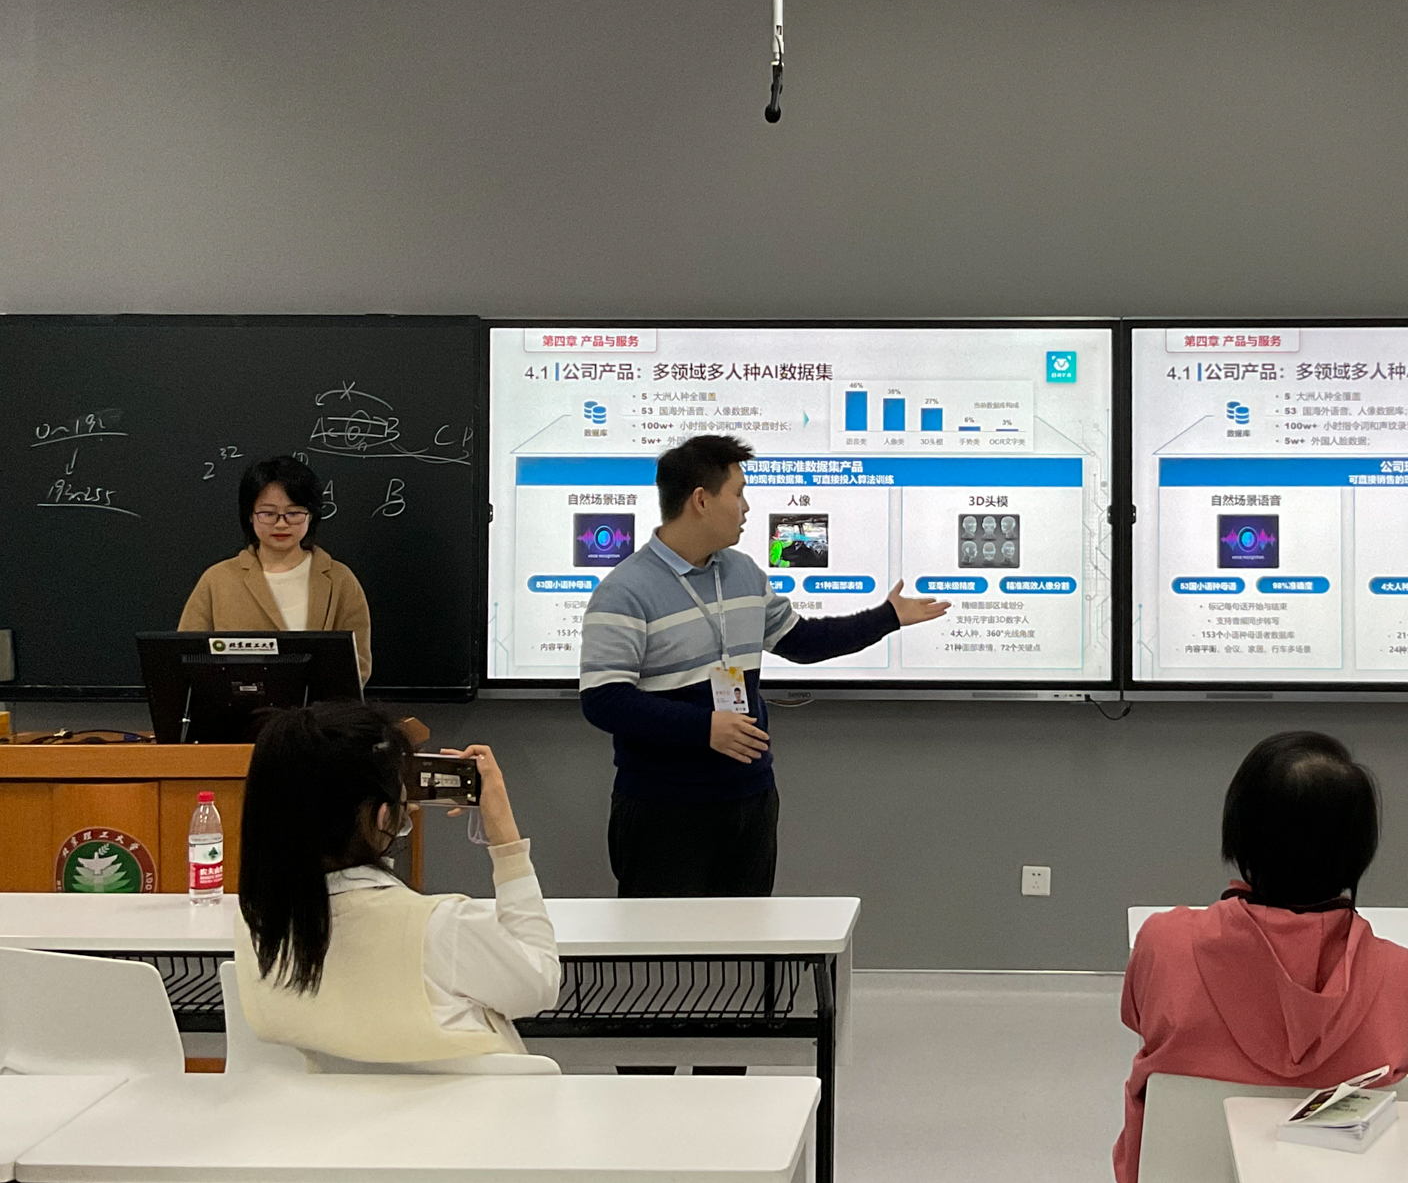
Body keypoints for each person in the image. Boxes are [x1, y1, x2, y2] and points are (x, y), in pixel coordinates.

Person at [580, 434, 951, 898]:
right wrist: (704, 728)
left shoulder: (743, 572)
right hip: (664, 806)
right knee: (663, 941)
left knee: (749, 937)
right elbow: (604, 700)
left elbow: (801, 641)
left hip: (749, 798)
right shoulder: (625, 590)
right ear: (701, 500)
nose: (746, 507)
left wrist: (886, 618)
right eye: (738, 493)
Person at [1114, 731, 1408, 1183]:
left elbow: (1139, 1019)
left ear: (1239, 833)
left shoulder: (1164, 942)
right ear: (1359, 851)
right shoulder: (1393, 972)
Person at [233, 700, 560, 1066]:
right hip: (462, 1103)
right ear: (384, 815)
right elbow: (540, 984)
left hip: (329, 1102)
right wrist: (507, 842)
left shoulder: (257, 926)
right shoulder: (442, 927)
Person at [179, 456, 374, 683]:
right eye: (268, 513)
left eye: (294, 513)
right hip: (236, 704)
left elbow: (358, 665)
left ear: (311, 515)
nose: (281, 524)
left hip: (317, 705)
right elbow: (187, 657)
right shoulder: (218, 580)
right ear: (250, 515)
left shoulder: (340, 579)